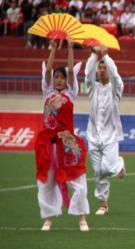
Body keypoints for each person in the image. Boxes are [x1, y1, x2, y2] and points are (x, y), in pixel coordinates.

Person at [35, 39, 90, 232]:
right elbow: (48, 71)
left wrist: (68, 48)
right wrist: (52, 49)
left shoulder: (71, 94)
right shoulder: (47, 92)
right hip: (47, 144)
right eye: (57, 77)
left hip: (67, 143)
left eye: (62, 77)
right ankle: (48, 218)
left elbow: (71, 70)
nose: (59, 80)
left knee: (78, 180)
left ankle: (82, 217)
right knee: (47, 181)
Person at [84, 45, 126, 216]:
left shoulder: (115, 90)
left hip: (111, 136)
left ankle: (119, 164)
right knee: (98, 172)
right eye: (99, 67)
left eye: (104, 67)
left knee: (107, 169)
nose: (102, 70)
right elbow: (87, 74)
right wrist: (94, 56)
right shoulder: (92, 88)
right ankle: (103, 204)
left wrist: (106, 57)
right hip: (93, 136)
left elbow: (116, 76)